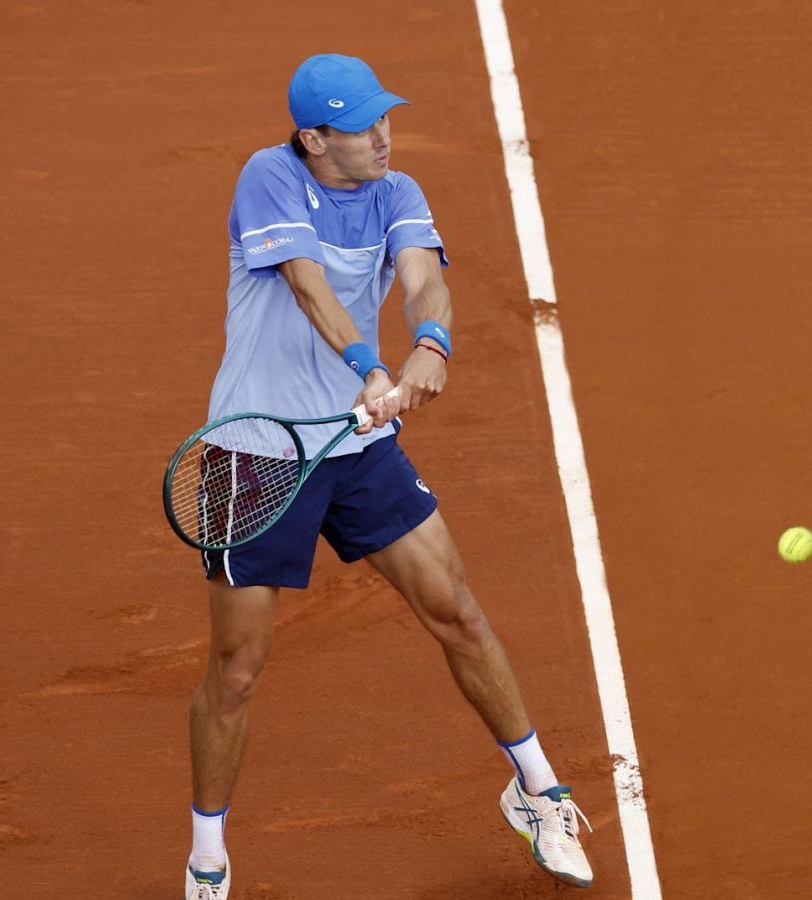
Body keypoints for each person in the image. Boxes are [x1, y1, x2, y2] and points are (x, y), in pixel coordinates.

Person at [182, 54, 592, 899]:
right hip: (260, 454)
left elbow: (422, 280)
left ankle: (538, 792)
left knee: (459, 612)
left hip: (357, 451)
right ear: (313, 138)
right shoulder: (269, 178)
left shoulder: (396, 192)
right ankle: (208, 861)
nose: (382, 135)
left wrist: (431, 343)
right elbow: (306, 287)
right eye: (363, 125)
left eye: (384, 118)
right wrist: (372, 368)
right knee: (237, 669)